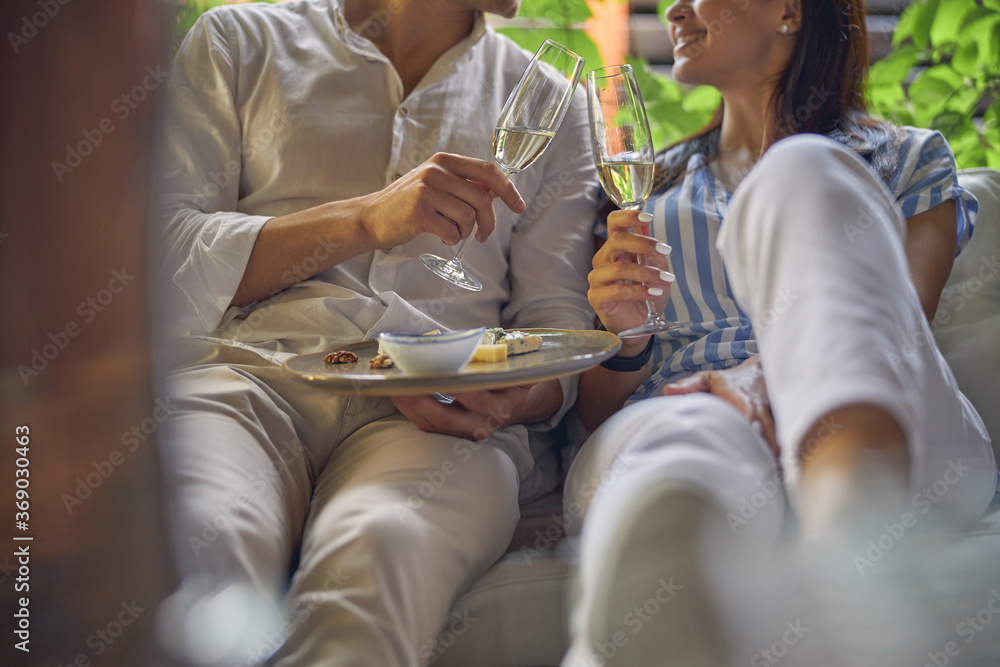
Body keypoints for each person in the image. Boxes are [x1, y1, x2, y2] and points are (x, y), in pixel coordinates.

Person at [153, 0, 598, 664]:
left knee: (380, 557)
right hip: (246, 380)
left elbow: (554, 326)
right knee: (202, 541)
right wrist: (363, 219)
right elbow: (161, 262)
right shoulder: (238, 42)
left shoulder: (554, 100)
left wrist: (512, 395)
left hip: (432, 420)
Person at [561, 0, 998, 664]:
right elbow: (596, 414)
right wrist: (625, 339)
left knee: (801, 170)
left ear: (789, 9)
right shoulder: (648, 189)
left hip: (885, 418)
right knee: (687, 438)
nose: (674, 8)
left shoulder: (907, 158)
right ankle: (671, 610)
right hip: (683, 405)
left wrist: (757, 379)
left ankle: (861, 538)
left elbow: (891, 327)